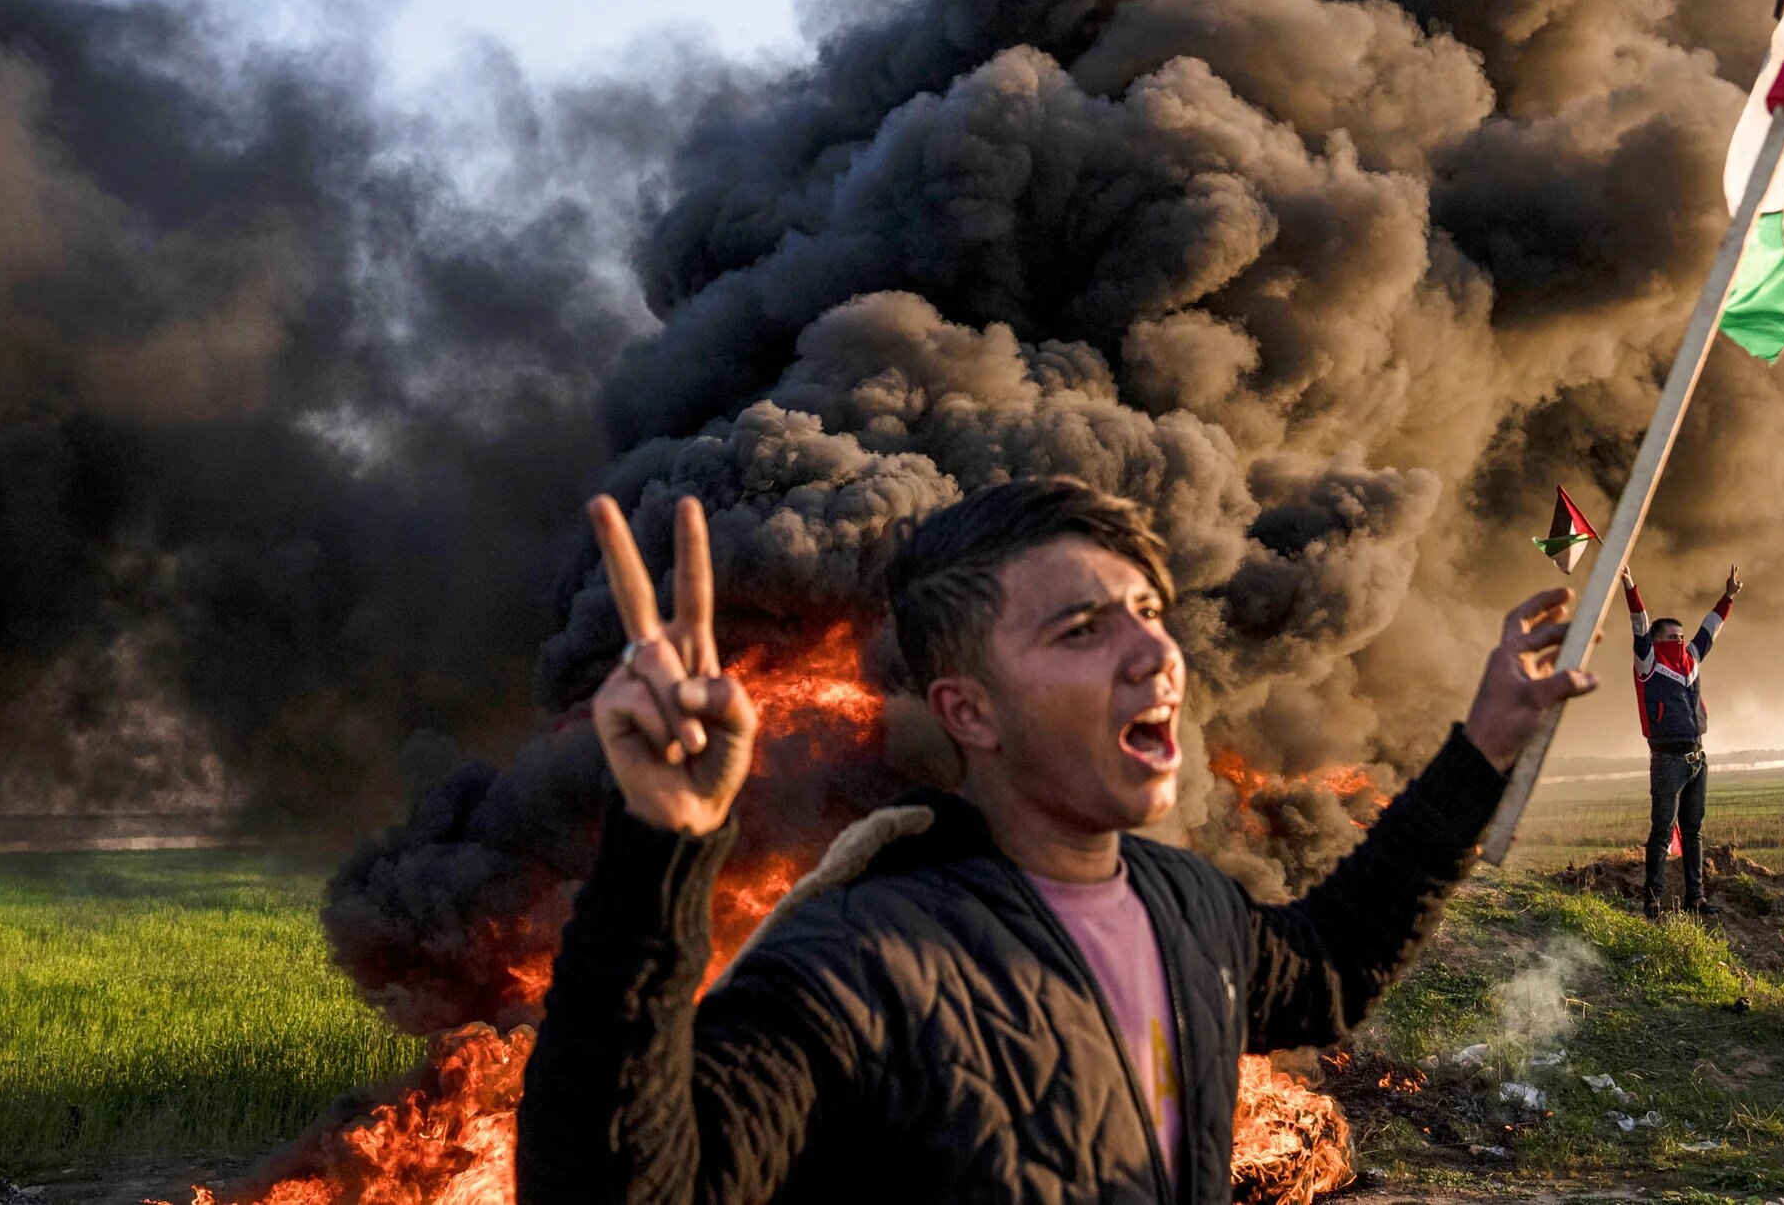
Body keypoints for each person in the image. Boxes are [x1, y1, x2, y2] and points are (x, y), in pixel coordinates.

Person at [518, 478, 1596, 1205]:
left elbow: (1329, 966)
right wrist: (658, 846)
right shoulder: (856, 965)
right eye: (1082, 630)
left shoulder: (1190, 906)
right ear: (968, 711)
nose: (1154, 654)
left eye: (1145, 610)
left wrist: (1485, 741)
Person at [1618, 563, 1742, 919]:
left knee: (1693, 832)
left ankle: (1696, 897)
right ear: (1657, 640)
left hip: (1697, 757)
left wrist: (1728, 596)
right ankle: (1652, 900)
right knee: (1660, 833)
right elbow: (1639, 623)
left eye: (1680, 635)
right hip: (1667, 760)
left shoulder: (1692, 659)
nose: (1679, 640)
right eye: (1672, 636)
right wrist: (1630, 585)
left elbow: (1710, 630)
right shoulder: (1648, 663)